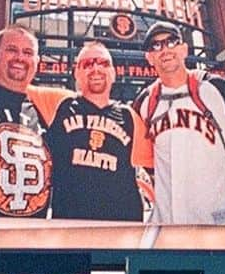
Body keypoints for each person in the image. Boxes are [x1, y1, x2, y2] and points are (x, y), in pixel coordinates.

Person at [133, 21, 225, 226]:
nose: (165, 50)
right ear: (149, 58)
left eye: (171, 42)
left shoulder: (217, 88)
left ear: (184, 48)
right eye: (156, 46)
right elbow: (142, 157)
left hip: (221, 217)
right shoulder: (144, 102)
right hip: (169, 221)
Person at [45, 41, 151, 222]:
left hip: (121, 225)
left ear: (113, 73)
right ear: (76, 73)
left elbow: (155, 163)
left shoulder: (129, 116)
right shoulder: (59, 105)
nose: (95, 68)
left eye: (103, 63)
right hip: (71, 225)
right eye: (87, 64)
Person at [0, 25, 65, 219]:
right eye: (12, 50)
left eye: (28, 52)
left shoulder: (44, 106)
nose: (20, 58)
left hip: (29, 236)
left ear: (37, 62)